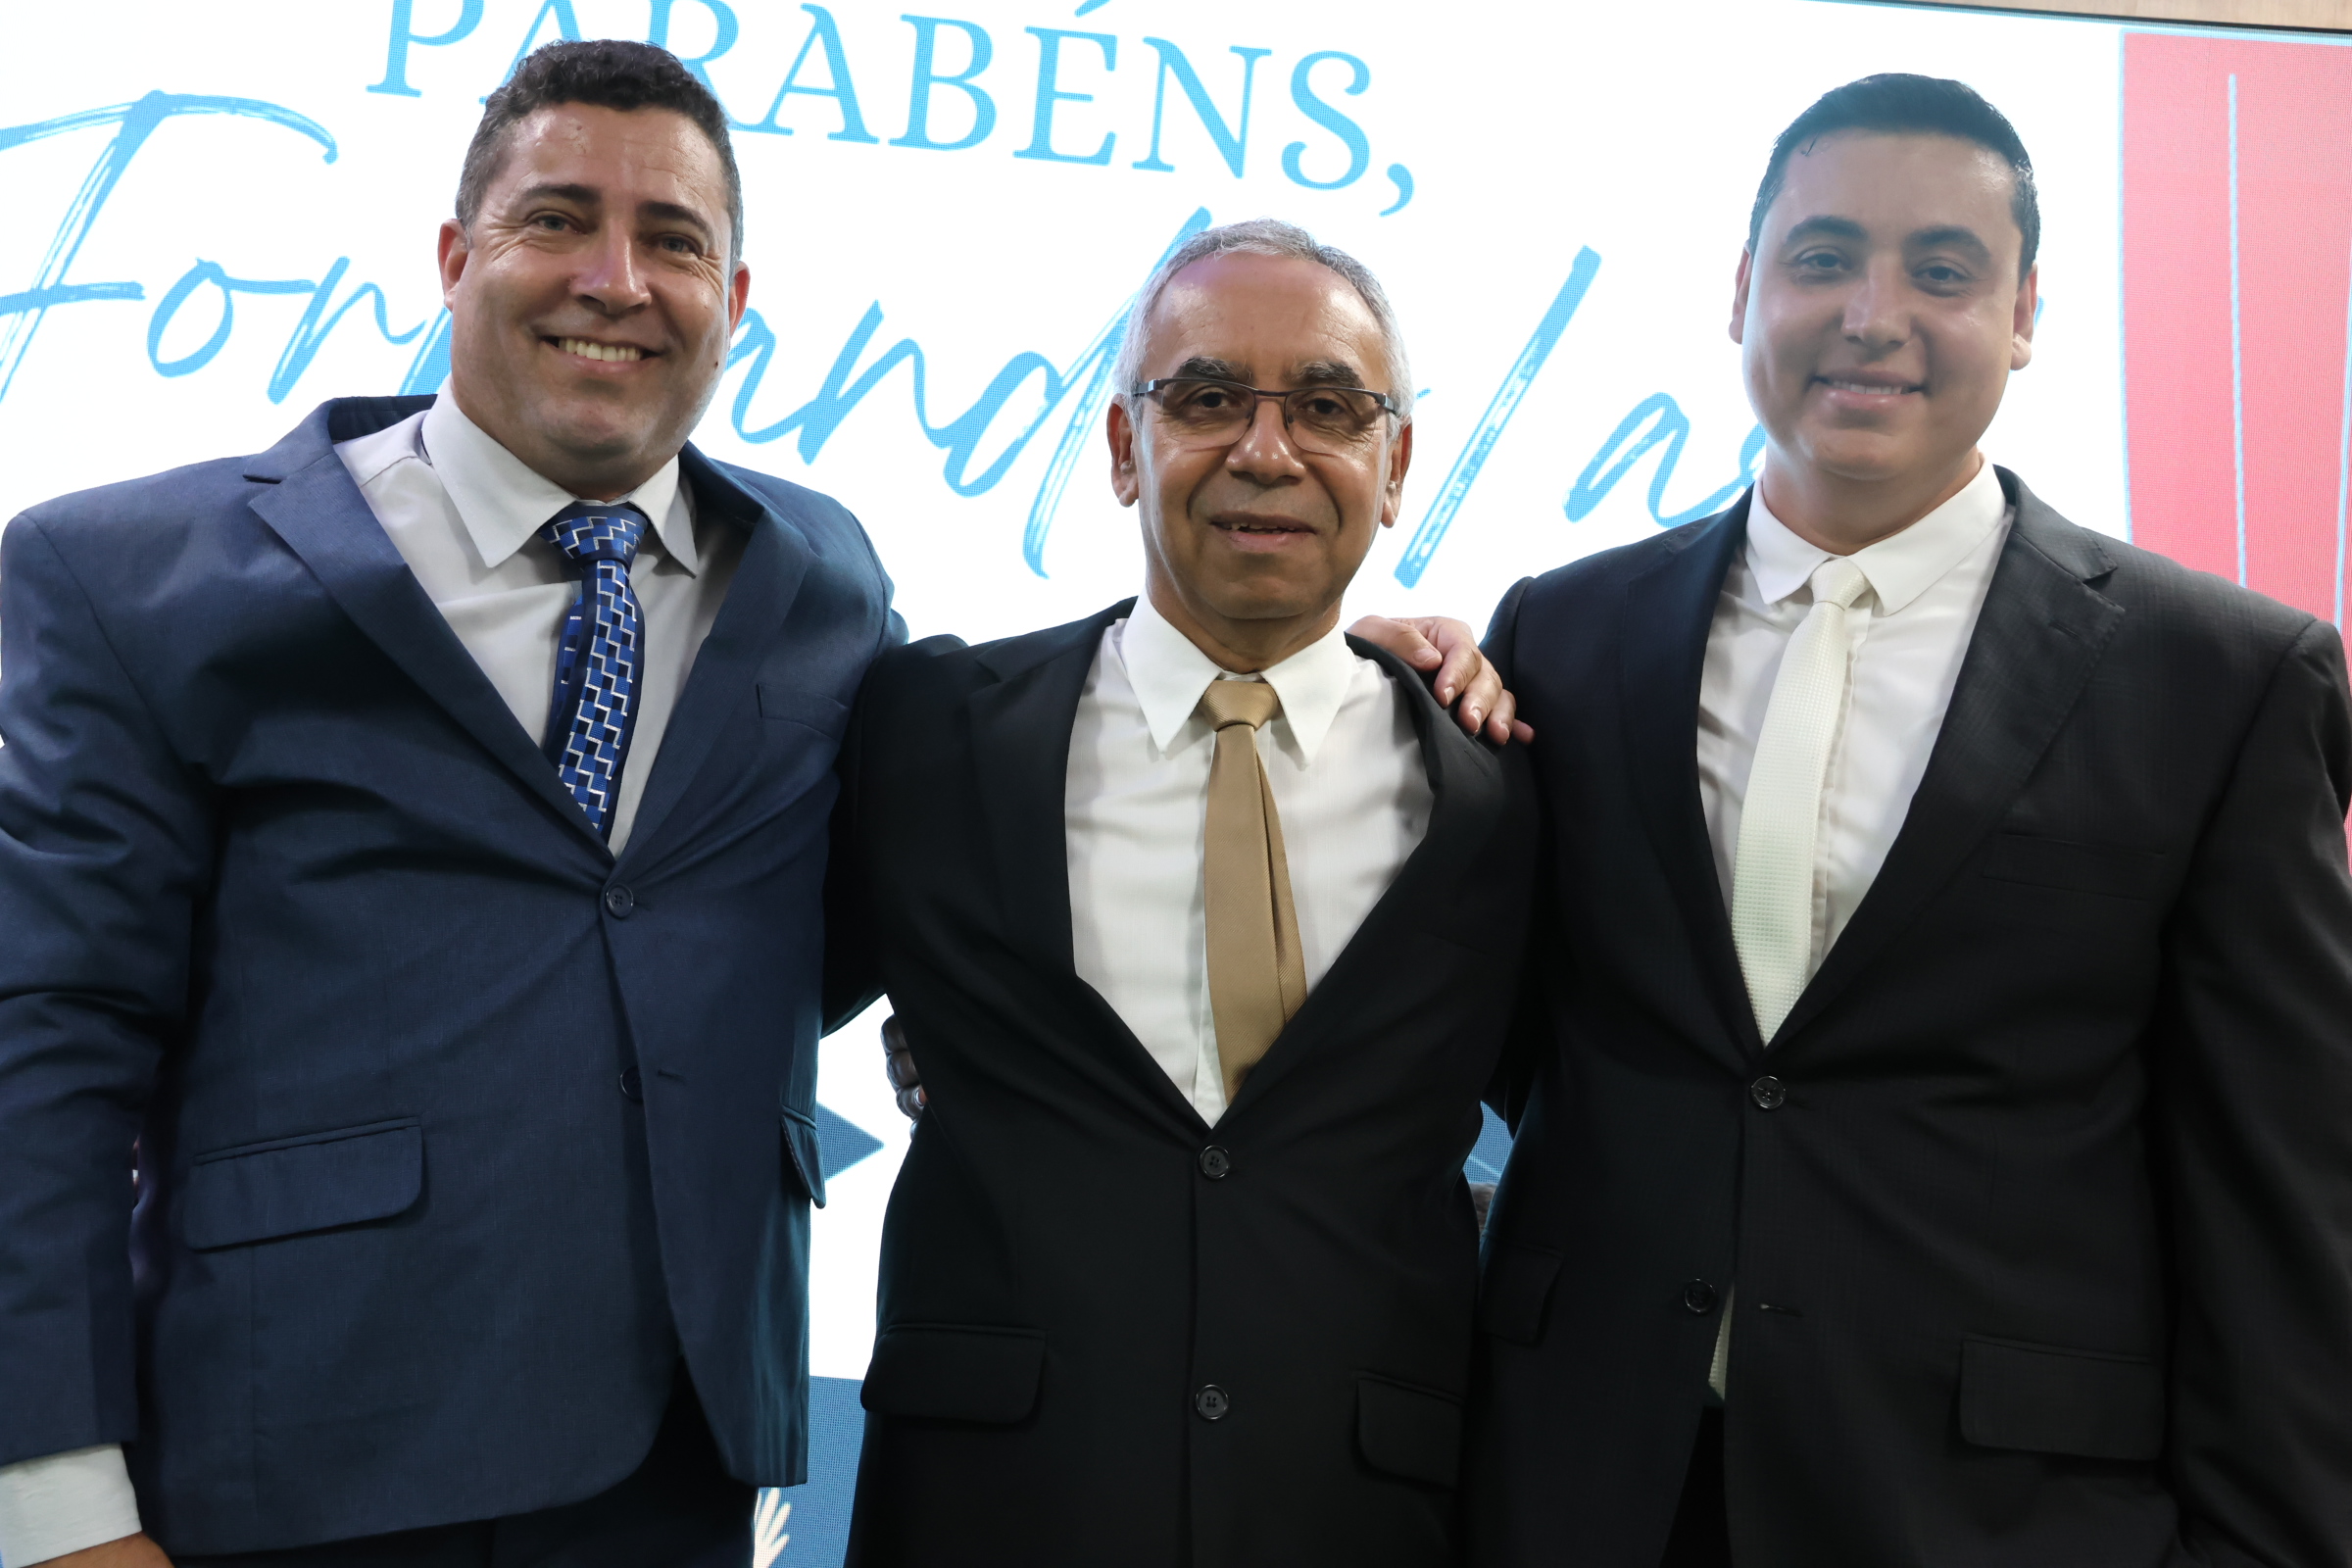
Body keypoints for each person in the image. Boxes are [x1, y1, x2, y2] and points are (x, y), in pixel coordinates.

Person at [0, 44, 1506, 1567]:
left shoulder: (818, 583)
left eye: (672, 241)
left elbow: (851, 918)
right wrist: (52, 1509)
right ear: (454, 256)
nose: (615, 279)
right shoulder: (132, 577)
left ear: (733, 297)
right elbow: (39, 1051)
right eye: (556, 220)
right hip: (283, 1466)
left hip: (675, 1473)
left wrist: (1361, 665)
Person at [1468, 73, 2352, 1566]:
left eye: (1943, 271)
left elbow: (2282, 1189)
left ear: (2024, 314)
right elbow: (1497, 1044)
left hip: (1998, 1514)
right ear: (1744, 290)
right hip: (1579, 1486)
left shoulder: (2223, 679)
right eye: (1824, 259)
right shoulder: (1563, 632)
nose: (1873, 316)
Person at [827, 220, 1535, 1567]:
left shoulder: (1501, 786)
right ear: (1120, 447)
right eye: (1206, 399)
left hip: (1364, 1519)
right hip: (987, 1510)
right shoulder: (925, 728)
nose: (1266, 450)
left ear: (1394, 467)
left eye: (1328, 408)